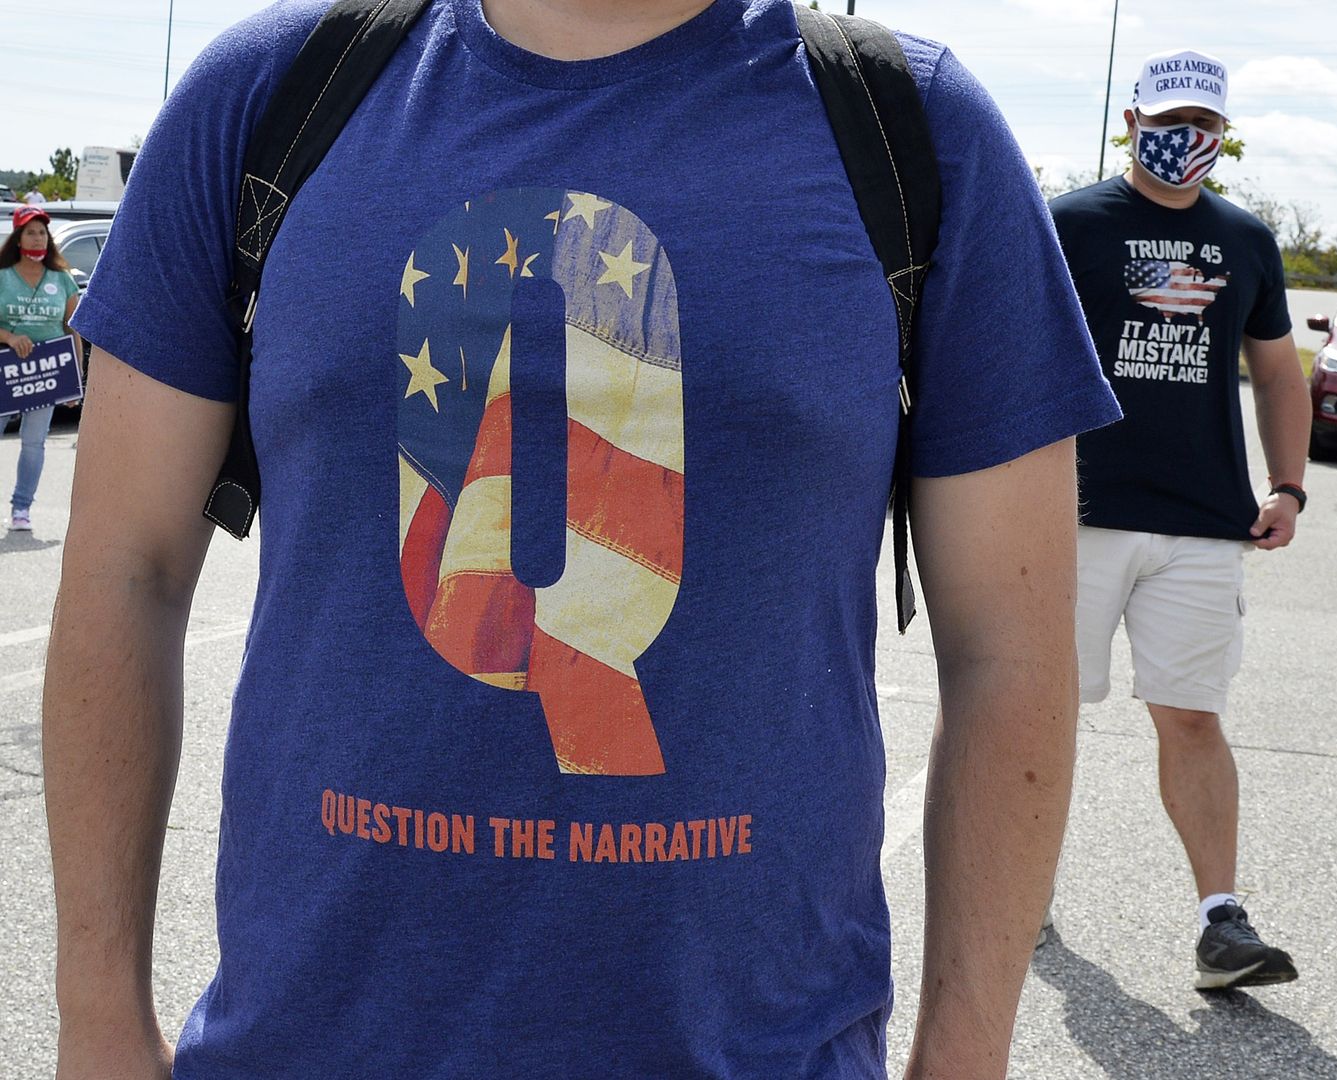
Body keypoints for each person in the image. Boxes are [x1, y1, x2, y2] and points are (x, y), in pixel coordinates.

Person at [44, 1, 1121, 1077]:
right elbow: (123, 573)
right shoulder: (268, 99)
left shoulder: (910, 130)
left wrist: (966, 1055)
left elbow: (1011, 651)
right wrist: (97, 1026)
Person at [1048, 48, 1312, 991]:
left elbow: (1279, 370)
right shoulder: (1067, 223)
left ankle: (1221, 924)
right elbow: (1006, 350)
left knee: (1193, 719)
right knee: (1044, 718)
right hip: (1076, 516)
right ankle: (1021, 889)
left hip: (1204, 525)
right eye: (1167, 123)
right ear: (1131, 123)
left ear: (1222, 136)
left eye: (1200, 125)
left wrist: (1288, 485)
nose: (1182, 140)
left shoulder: (1244, 238)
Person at [3, 204, 81, 531]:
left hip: (47, 372)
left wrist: (75, 379)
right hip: (6, 372)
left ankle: (22, 509)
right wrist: (9, 336)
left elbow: (73, 327)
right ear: (18, 236)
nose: (38, 238)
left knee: (34, 442)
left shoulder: (62, 279)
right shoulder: (3, 277)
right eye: (30, 232)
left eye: (42, 232)